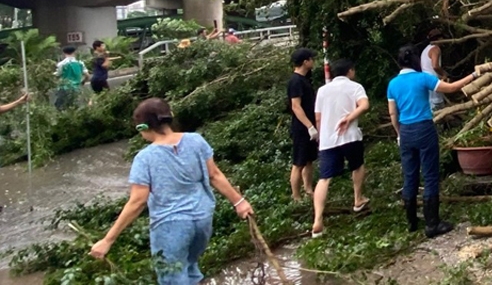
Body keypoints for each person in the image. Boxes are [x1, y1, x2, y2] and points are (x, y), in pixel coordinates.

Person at [89, 98, 254, 284]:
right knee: (190, 269)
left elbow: (137, 202)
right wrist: (239, 202)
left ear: (142, 127)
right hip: (202, 220)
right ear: (170, 117)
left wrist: (108, 240)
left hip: (170, 227)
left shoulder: (145, 159)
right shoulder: (196, 141)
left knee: (172, 278)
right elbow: (214, 175)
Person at [387, 45, 478, 237]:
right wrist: (474, 76)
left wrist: (398, 133)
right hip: (424, 128)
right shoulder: (423, 78)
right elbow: (452, 87)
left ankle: (412, 222)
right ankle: (432, 224)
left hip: (406, 131)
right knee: (430, 175)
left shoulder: (393, 84)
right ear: (415, 61)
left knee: (410, 176)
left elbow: (393, 113)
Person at [311, 59, 370, 237]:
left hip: (328, 140)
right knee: (357, 166)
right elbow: (364, 105)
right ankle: (358, 199)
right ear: (350, 71)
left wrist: (322, 137)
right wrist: (350, 118)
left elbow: (318, 118)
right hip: (350, 136)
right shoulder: (355, 87)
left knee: (324, 178)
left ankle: (317, 219)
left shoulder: (322, 90)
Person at [288, 48, 319, 202]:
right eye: (311, 59)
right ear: (305, 61)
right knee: (298, 162)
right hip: (301, 128)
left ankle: (308, 189)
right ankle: (296, 195)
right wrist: (309, 126)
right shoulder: (295, 81)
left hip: (309, 126)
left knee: (309, 160)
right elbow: (296, 106)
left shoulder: (306, 79)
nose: (313, 61)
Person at [53, 46, 88, 110]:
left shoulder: (61, 64)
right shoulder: (80, 63)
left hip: (64, 87)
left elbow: (57, 74)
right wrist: (83, 81)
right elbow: (87, 75)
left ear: (64, 53)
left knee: (60, 106)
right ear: (74, 52)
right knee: (74, 105)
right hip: (76, 88)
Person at [420, 28, 447, 110]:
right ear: (439, 39)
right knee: (437, 104)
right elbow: (435, 65)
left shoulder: (425, 49)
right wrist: (444, 74)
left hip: (425, 79)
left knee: (430, 103)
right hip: (433, 80)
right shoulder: (435, 49)